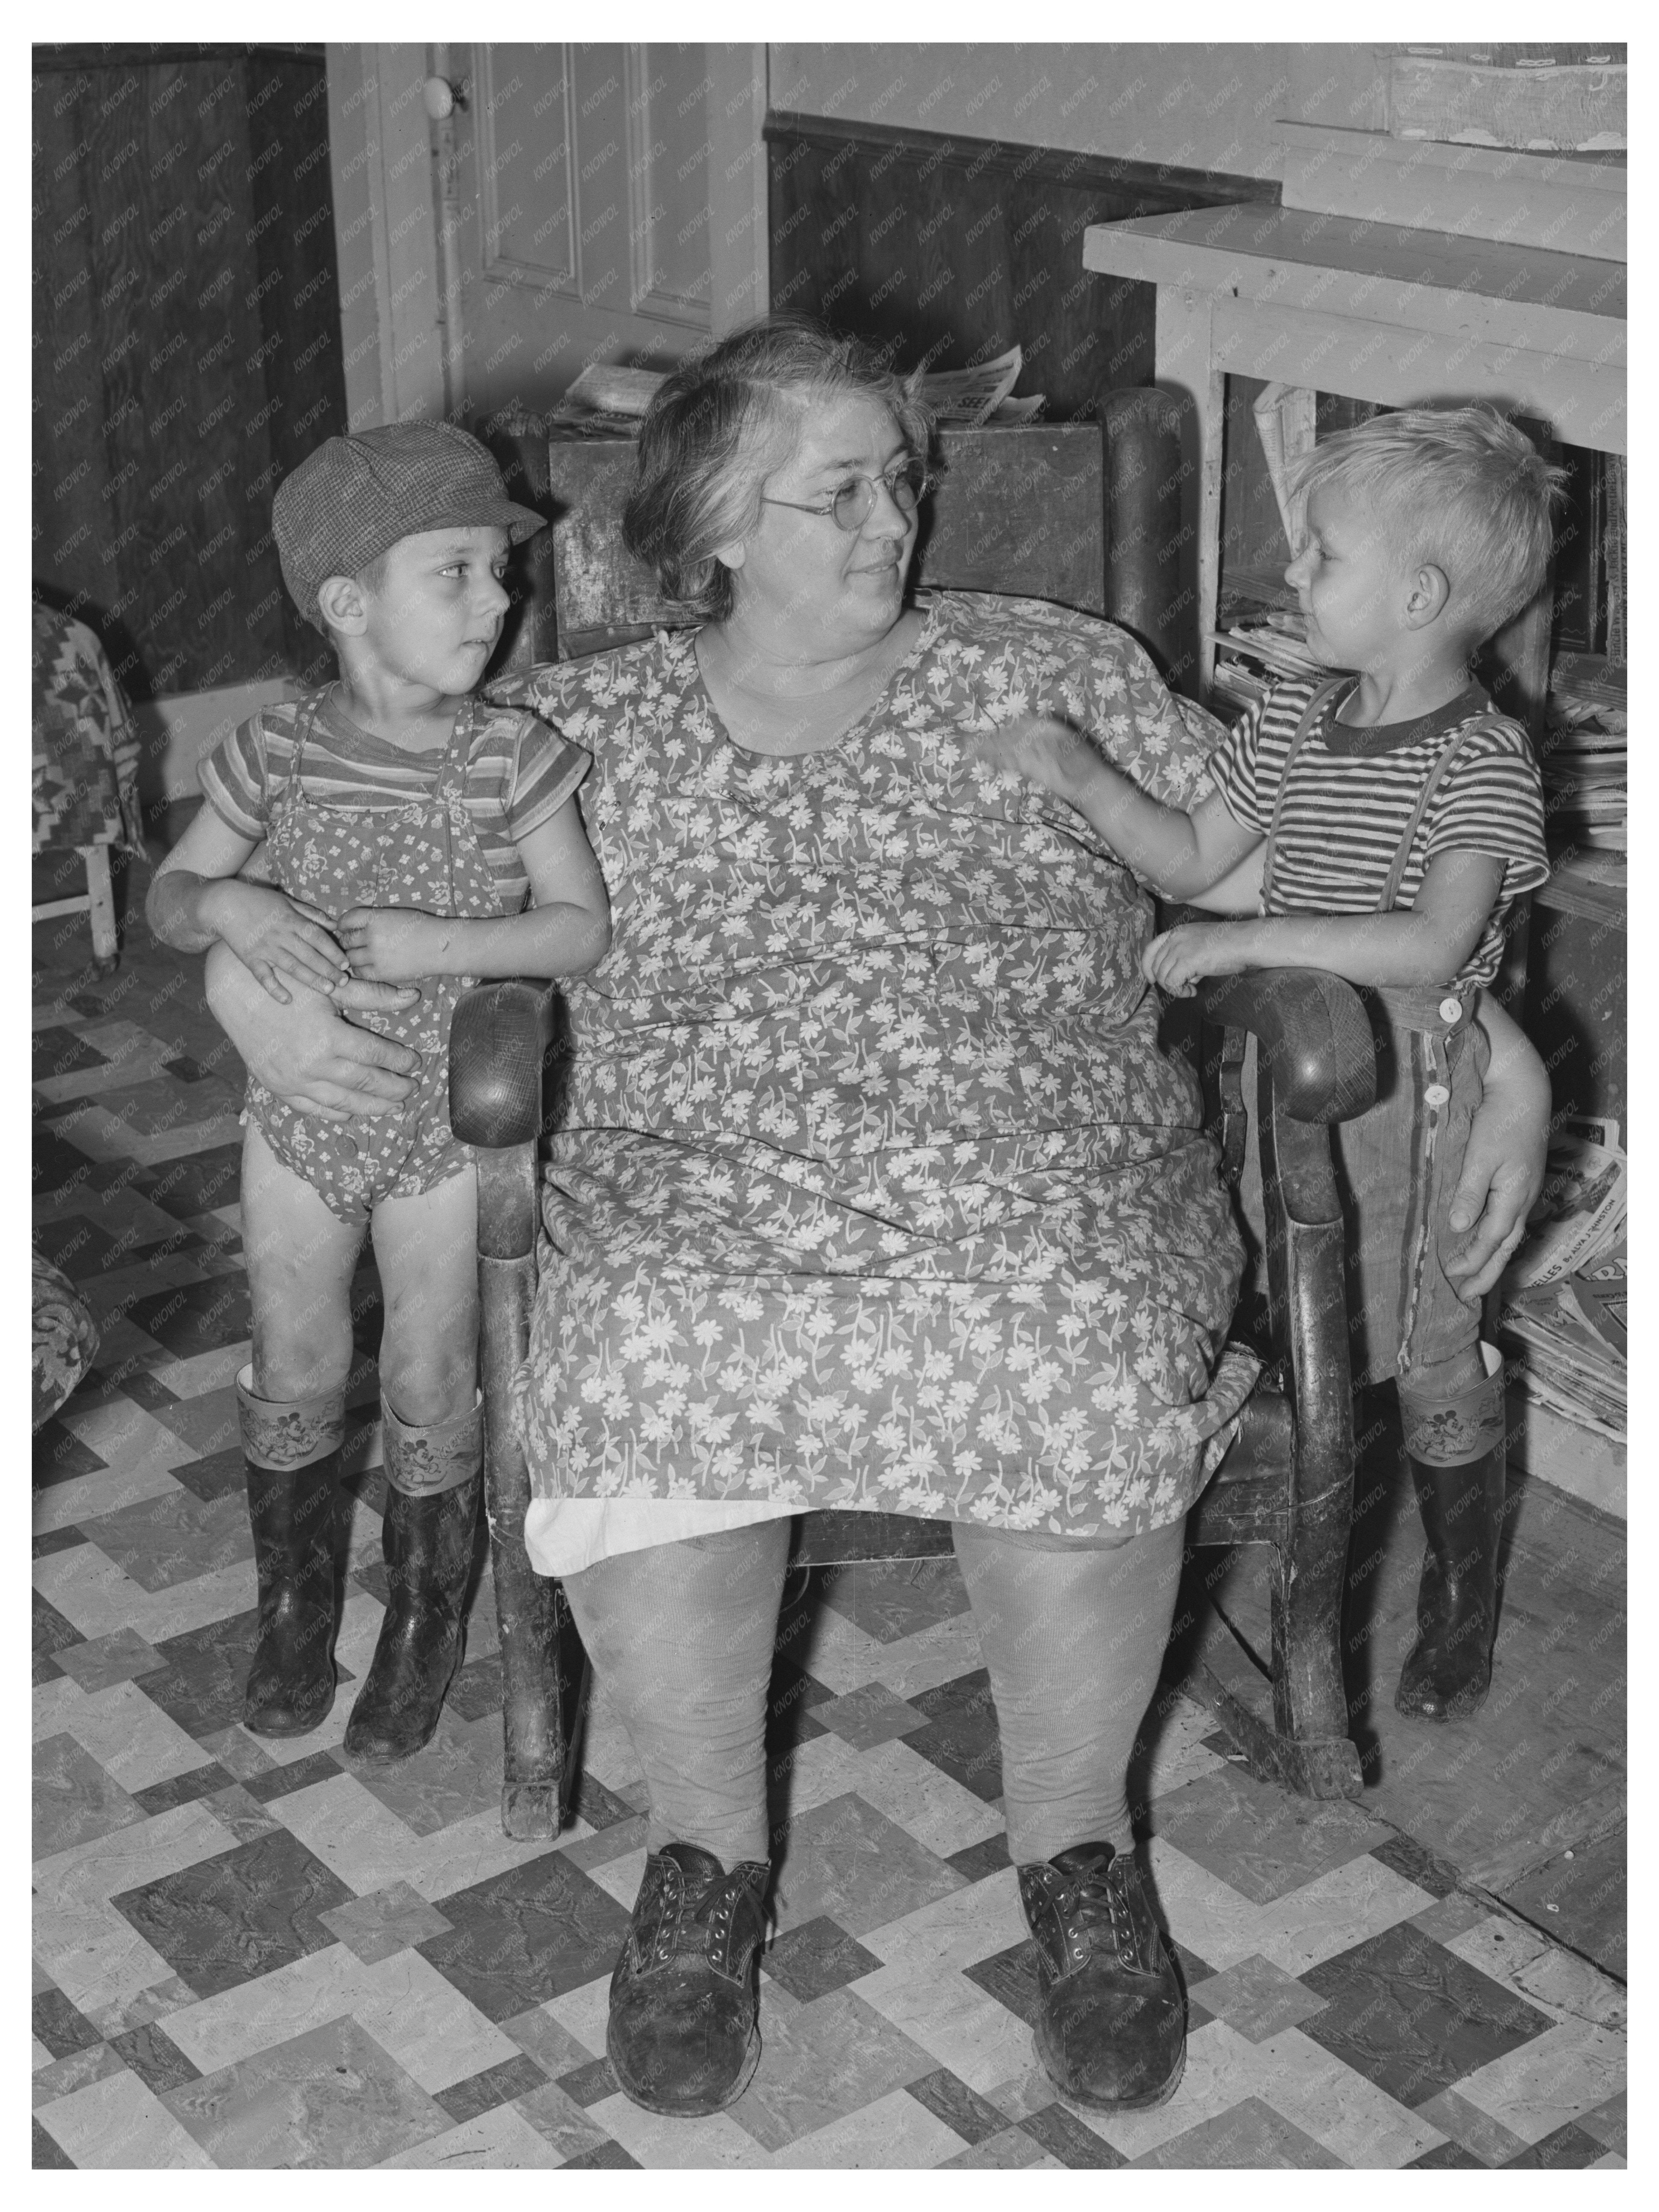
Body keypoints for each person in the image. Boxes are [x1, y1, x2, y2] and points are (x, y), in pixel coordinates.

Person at [199, 321, 1551, 2124]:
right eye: (837, 489)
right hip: (691, 1164)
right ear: (712, 524)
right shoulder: (571, 730)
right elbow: (319, 882)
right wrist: (265, 994)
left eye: (901, 479)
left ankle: (1078, 1854)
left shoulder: (1047, 662)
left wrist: (1505, 1040)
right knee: (649, 1336)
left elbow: (1284, 868)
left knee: (1062, 1332)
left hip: (1037, 1149)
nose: (892, 515)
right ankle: (705, 1863)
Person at [989, 405, 1558, 1728]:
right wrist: (1078, 775)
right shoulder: (1298, 716)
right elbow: (1189, 859)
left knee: (1422, 1342)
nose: (1292, 577)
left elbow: (1436, 944)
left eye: (1319, 556)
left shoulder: (1482, 761)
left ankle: (1458, 1611)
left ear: (1417, 595)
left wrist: (1256, 934)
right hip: (1280, 1067)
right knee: (1281, 1304)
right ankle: (1276, 1541)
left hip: (1411, 1093)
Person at [147, 422, 610, 1765]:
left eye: (498, 572)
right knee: (295, 1351)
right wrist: (226, 898)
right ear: (348, 604)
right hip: (298, 1117)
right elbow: (175, 898)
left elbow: (577, 927)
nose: (497, 598)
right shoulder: (269, 753)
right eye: (454, 572)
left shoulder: (511, 757)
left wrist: (448, 947)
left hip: (444, 1123)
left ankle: (424, 1608)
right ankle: (292, 1601)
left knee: (428, 1363)